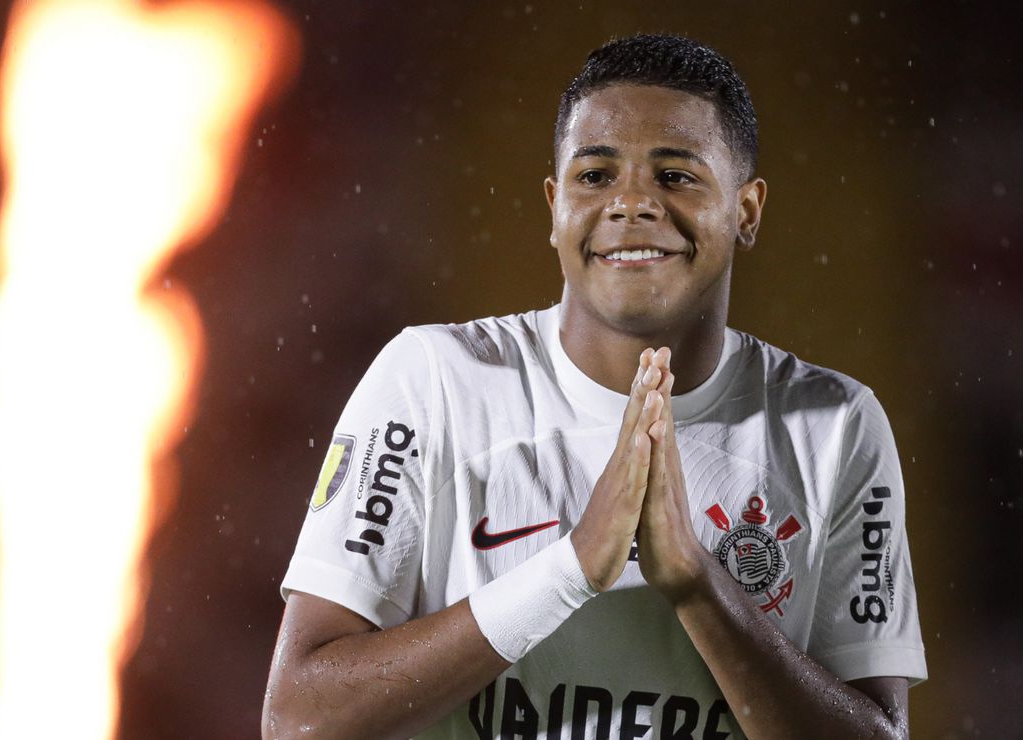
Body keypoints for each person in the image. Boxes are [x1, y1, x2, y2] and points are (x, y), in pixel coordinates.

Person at [262, 33, 927, 740]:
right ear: (554, 207)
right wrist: (570, 570)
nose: (631, 203)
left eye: (675, 175)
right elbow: (300, 716)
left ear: (747, 210)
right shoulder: (434, 380)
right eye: (595, 175)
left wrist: (698, 584)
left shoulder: (833, 425)